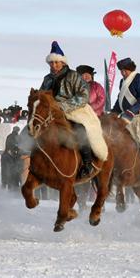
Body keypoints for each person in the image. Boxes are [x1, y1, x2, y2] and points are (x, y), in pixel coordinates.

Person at [39, 41, 105, 179]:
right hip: (51, 112)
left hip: (73, 110)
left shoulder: (73, 75)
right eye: (51, 63)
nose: (54, 65)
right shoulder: (47, 79)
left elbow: (84, 95)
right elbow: (42, 95)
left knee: (79, 128)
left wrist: (64, 106)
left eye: (57, 62)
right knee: (32, 129)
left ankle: (87, 164)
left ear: (63, 63)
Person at [3, 125, 22, 190]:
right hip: (13, 156)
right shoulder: (17, 137)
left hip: (7, 155)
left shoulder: (9, 136)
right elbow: (19, 146)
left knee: (7, 172)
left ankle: (7, 185)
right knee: (16, 172)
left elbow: (7, 145)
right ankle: (15, 187)